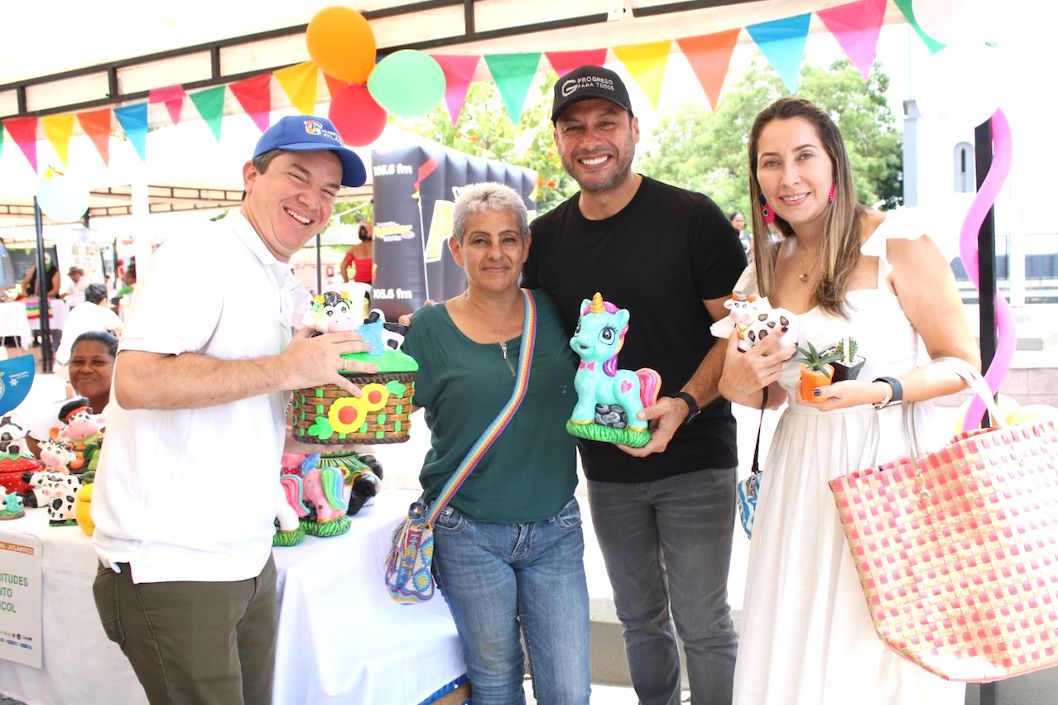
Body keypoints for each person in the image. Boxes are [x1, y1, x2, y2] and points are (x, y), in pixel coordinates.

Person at [90, 114, 372, 705]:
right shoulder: (201, 255)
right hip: (172, 562)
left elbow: (249, 411)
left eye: (327, 190)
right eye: (298, 177)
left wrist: (348, 424)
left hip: (244, 554)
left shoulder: (274, 277)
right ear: (251, 175)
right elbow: (138, 380)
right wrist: (292, 368)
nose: (313, 200)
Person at [718, 97, 978, 704]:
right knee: (799, 629)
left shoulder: (899, 242)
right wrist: (746, 368)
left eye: (804, 156)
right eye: (770, 163)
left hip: (887, 467)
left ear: (833, 161)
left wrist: (882, 391)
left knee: (874, 640)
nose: (789, 177)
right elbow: (753, 400)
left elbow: (965, 365)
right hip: (800, 471)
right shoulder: (764, 268)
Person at [521, 65, 746, 705]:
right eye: (575, 127)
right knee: (638, 619)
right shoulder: (547, 238)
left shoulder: (693, 218)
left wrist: (684, 402)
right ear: (559, 141)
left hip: (697, 459)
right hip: (608, 467)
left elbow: (736, 331)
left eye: (606, 123)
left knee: (702, 623)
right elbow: (539, 346)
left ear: (633, 129)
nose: (591, 139)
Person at [402, 182, 589, 705]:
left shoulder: (557, 313)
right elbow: (386, 414)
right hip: (468, 531)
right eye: (480, 241)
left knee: (569, 689)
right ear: (457, 249)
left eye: (509, 239)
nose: (496, 253)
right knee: (494, 680)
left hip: (555, 527)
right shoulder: (428, 329)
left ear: (527, 247)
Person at [55, 283, 123, 367]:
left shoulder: (76, 310)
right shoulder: (103, 311)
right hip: (81, 365)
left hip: (61, 363)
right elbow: (123, 334)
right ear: (104, 300)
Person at [68, 330, 118, 415]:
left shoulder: (130, 420)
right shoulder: (60, 418)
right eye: (78, 362)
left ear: (117, 365)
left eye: (98, 362)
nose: (86, 369)